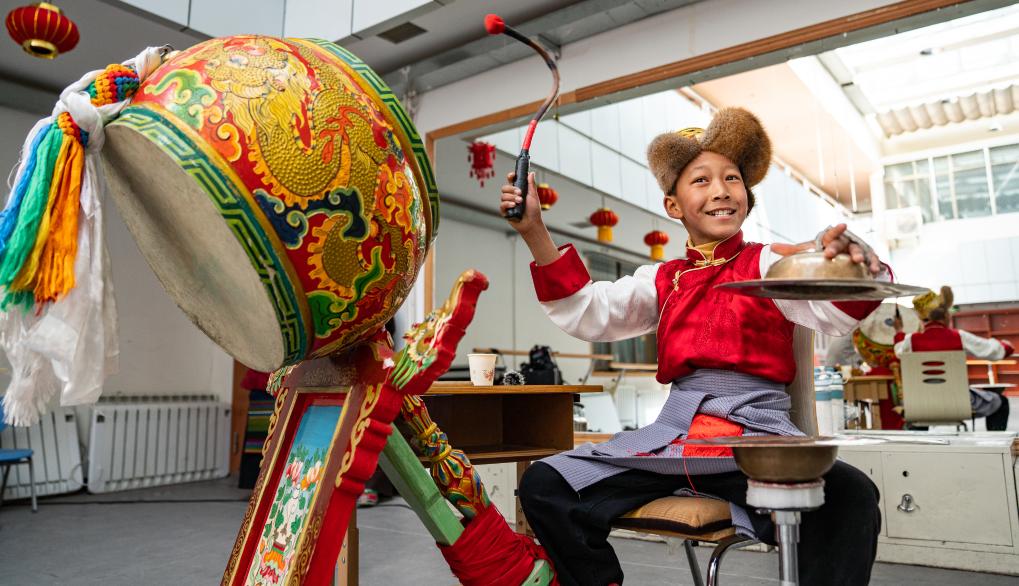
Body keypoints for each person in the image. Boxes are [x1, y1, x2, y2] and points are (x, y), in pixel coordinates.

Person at [499, 108, 890, 586]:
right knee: (545, 483)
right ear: (673, 206)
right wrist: (534, 231)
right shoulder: (662, 279)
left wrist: (851, 263)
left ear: (747, 196)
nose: (721, 190)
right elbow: (588, 310)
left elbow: (832, 303)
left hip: (755, 443)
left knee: (850, 495)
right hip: (674, 440)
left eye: (732, 178)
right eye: (701, 180)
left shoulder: (768, 262)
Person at [893, 286, 1015, 431]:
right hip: (958, 404)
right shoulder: (959, 336)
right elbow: (996, 352)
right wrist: (1006, 346)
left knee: (920, 413)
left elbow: (898, 352)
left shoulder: (910, 340)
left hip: (920, 406)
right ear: (946, 316)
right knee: (1001, 402)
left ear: (921, 319)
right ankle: (995, 442)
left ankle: (920, 440)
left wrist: (899, 331)